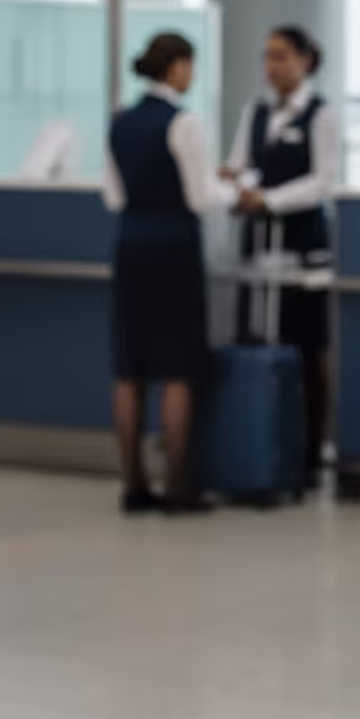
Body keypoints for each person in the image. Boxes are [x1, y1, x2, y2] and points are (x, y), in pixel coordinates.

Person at [102, 32, 233, 515]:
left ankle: (133, 485)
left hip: (130, 248)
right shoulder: (185, 122)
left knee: (130, 368)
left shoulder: (120, 122)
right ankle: (178, 484)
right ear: (177, 67)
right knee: (177, 369)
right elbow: (200, 197)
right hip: (174, 249)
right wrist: (232, 192)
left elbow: (113, 197)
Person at [223, 25, 339, 489]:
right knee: (255, 339)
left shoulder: (320, 114)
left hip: (301, 246)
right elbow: (240, 163)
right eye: (267, 57)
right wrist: (236, 183)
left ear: (305, 61)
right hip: (259, 246)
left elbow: (324, 180)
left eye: (281, 57)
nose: (272, 66)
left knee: (306, 349)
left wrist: (268, 199)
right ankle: (260, 448)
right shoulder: (255, 111)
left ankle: (307, 457)